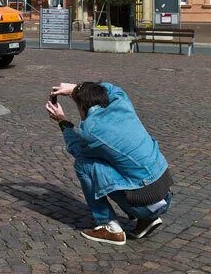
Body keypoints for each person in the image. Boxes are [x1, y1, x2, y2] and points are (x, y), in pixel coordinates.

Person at [46, 81, 173, 246]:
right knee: (120, 161)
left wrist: (63, 122)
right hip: (166, 194)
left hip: (144, 202)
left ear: (82, 107)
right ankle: (147, 220)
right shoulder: (121, 101)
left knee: (83, 165)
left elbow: (77, 150)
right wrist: (77, 88)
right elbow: (112, 88)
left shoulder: (90, 130)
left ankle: (109, 225)